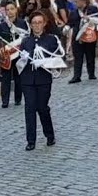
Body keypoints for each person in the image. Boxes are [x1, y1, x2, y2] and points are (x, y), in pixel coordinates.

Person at [17, 11, 67, 150]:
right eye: (34, 23)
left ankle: (49, 135)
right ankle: (31, 140)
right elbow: (20, 63)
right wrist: (23, 59)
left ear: (44, 24)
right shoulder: (26, 41)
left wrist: (44, 61)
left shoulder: (51, 39)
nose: (37, 25)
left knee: (42, 108)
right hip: (27, 79)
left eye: (39, 22)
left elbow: (59, 58)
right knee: (29, 108)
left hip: (43, 79)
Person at [0, 1, 27, 108]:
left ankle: (18, 99)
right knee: (5, 78)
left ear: (16, 10)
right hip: (7, 55)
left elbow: (26, 38)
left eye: (12, 9)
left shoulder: (22, 23)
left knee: (19, 77)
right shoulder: (1, 25)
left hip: (19, 53)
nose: (10, 12)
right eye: (7, 10)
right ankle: (5, 101)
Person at [68, 0, 98, 83]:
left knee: (90, 56)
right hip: (77, 37)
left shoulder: (92, 9)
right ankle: (76, 76)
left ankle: (91, 74)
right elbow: (70, 24)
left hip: (89, 36)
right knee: (78, 57)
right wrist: (67, 28)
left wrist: (89, 19)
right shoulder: (73, 13)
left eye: (77, 1)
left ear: (84, 1)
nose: (76, 3)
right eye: (75, 1)